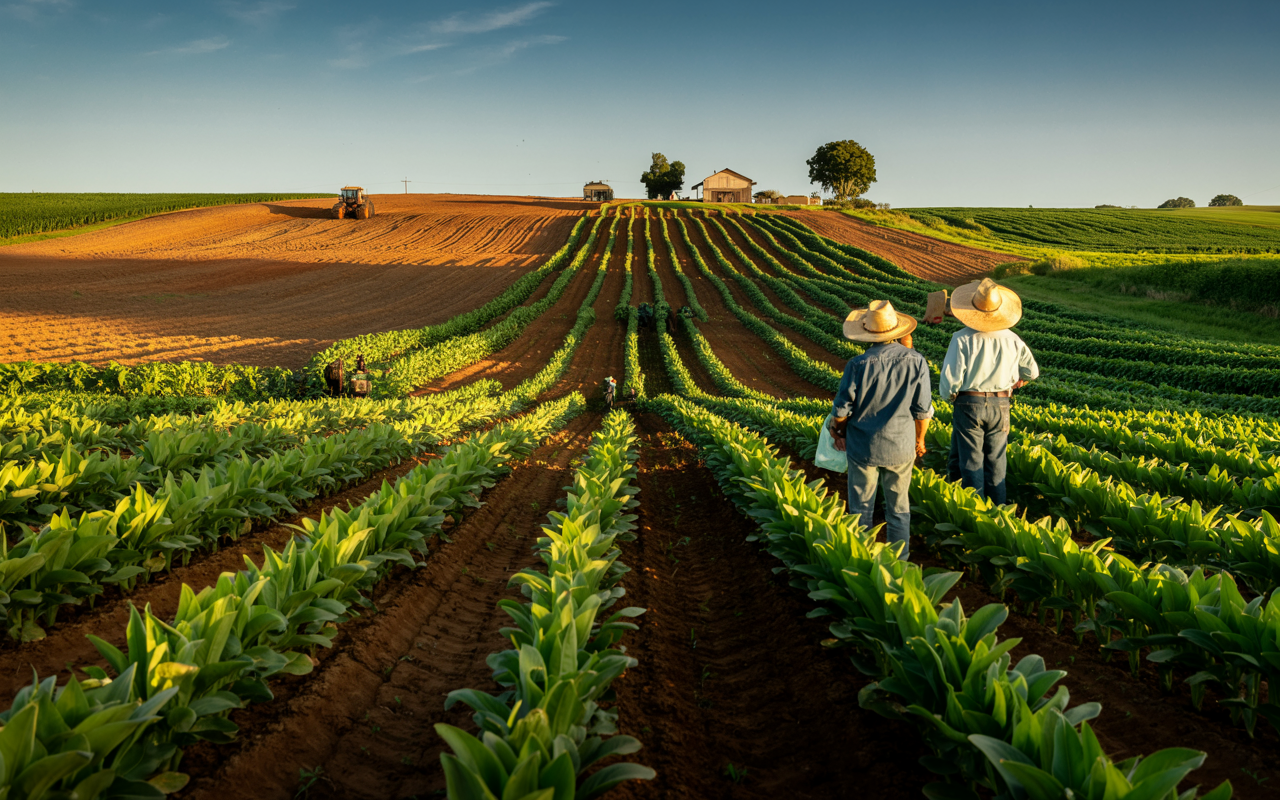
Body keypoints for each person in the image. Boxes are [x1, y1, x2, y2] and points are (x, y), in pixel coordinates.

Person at [829, 300, 933, 560]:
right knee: (899, 508)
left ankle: (862, 561)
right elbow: (922, 410)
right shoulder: (916, 361)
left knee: (861, 507)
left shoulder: (857, 364)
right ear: (897, 331)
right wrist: (919, 440)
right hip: (901, 445)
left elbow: (841, 410)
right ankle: (900, 562)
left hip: (863, 446)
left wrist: (837, 433)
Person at [939, 278, 1039, 504]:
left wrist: (950, 395)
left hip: (969, 403)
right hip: (1001, 403)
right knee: (996, 463)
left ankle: (976, 514)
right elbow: (1032, 371)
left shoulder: (962, 338)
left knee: (971, 462)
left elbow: (951, 377)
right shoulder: (1013, 339)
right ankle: (999, 515)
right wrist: (1018, 382)